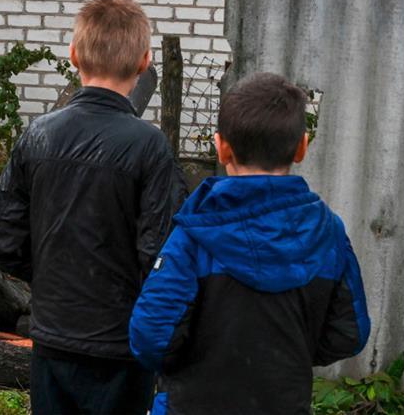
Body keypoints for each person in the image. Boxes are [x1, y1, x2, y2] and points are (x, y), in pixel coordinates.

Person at [0, 0, 187, 414]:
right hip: (122, 342)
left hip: (54, 336)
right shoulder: (150, 146)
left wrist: (55, 273)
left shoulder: (38, 136)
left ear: (73, 55)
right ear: (144, 61)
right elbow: (159, 254)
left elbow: (3, 242)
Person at [129, 72, 371, 415]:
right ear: (302, 146)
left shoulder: (193, 237)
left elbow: (150, 338)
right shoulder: (329, 235)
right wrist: (286, 353)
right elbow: (349, 332)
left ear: (221, 146)